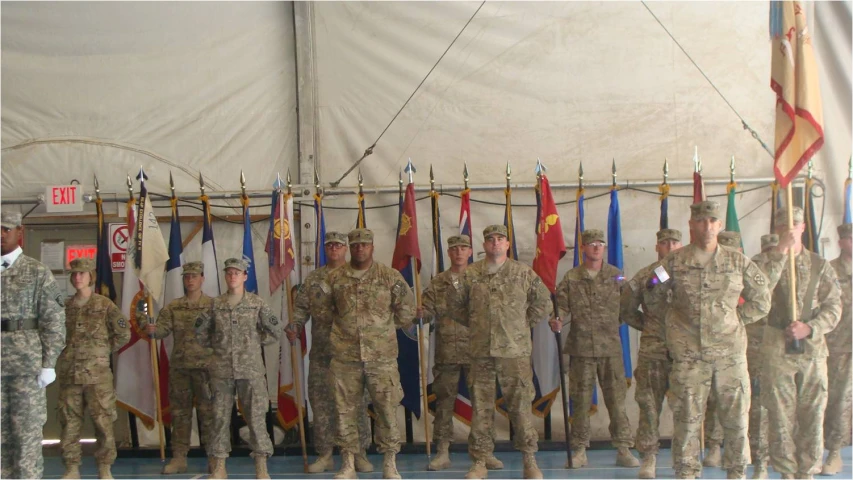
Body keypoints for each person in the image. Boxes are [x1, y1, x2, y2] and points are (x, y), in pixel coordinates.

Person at [650, 200, 772, 479]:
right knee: (686, 420)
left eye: (712, 221)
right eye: (701, 221)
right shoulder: (673, 262)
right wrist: (673, 327)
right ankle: (686, 472)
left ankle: (737, 472)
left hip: (729, 355)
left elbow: (763, 299)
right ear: (691, 225)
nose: (707, 227)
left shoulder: (737, 261)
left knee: (736, 419)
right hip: (689, 356)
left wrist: (737, 319)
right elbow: (653, 292)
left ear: (719, 225)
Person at [457, 224, 551, 480]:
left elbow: (543, 303)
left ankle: (529, 459)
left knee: (520, 407)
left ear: (508, 244)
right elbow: (457, 307)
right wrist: (479, 325)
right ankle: (479, 461)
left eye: (500, 239)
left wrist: (519, 326)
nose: (495, 243)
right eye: (490, 240)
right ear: (484, 245)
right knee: (481, 408)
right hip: (481, 352)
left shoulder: (523, 273)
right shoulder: (470, 274)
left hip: (514, 353)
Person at [755, 207, 842, 479]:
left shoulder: (819, 264)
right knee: (779, 415)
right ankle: (786, 472)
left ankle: (807, 471)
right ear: (776, 229)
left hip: (812, 351)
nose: (789, 229)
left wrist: (811, 328)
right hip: (776, 348)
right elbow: (757, 293)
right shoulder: (761, 262)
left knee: (813, 414)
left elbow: (834, 306)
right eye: (783, 225)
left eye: (794, 224)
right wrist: (780, 252)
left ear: (803, 227)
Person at [325, 228, 416, 479]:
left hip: (381, 358)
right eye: (355, 245)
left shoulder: (389, 277)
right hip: (345, 358)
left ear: (372, 246)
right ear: (350, 247)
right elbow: (324, 312)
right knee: (345, 411)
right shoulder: (336, 278)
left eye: (364, 245)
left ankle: (389, 461)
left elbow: (406, 311)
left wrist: (381, 329)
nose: (359, 249)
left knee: (386, 409)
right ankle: (348, 463)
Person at [550, 228, 639, 469]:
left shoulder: (616, 275)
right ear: (584, 248)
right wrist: (556, 318)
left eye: (601, 243)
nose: (597, 247)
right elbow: (561, 306)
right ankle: (579, 449)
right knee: (579, 402)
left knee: (616, 402)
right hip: (581, 350)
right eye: (592, 244)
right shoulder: (571, 277)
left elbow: (630, 300)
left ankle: (623, 448)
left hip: (610, 349)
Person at [285, 231, 374, 474]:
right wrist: (295, 326)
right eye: (329, 245)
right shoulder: (314, 279)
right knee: (321, 403)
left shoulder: (357, 276)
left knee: (356, 403)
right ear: (325, 249)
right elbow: (301, 309)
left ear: (345, 249)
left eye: (338, 245)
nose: (334, 249)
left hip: (353, 353)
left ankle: (359, 453)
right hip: (323, 353)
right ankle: (325, 454)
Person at [416, 234, 502, 472]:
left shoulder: (480, 278)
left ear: (471, 251)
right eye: (454, 249)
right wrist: (421, 313)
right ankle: (442, 451)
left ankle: (486, 452)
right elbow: (427, 311)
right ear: (449, 252)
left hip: (478, 351)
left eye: (463, 248)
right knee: (444, 404)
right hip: (447, 353)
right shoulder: (438, 283)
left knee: (482, 404)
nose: (459, 252)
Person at [195, 258, 281, 479]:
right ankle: (219, 466)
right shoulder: (215, 305)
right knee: (219, 417)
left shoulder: (257, 304)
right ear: (225, 276)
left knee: (256, 417)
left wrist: (252, 343)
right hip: (221, 371)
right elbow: (201, 334)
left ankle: (261, 466)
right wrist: (219, 347)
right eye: (229, 272)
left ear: (245, 277)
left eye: (237, 273)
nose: (232, 276)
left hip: (250, 370)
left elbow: (274, 331)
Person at [0, 211, 66, 479]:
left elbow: (54, 321)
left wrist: (48, 363)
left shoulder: (37, 271)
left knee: (26, 434)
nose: (0, 234)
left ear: (19, 233)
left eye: (5, 229)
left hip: (26, 367)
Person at [57, 258, 130, 479]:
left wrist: (102, 351)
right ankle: (72, 468)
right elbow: (55, 336)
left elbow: (123, 334)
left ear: (91, 277)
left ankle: (105, 467)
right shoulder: (65, 307)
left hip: (97, 376)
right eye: (74, 274)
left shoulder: (104, 305)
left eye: (82, 273)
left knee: (103, 423)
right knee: (69, 422)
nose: (77, 277)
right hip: (70, 374)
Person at [621, 228, 683, 479]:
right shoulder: (646, 276)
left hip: (685, 352)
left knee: (687, 407)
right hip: (653, 350)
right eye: (664, 243)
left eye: (674, 243)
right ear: (657, 247)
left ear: (681, 245)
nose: (669, 247)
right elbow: (626, 309)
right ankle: (649, 457)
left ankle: (685, 459)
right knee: (648, 405)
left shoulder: (694, 273)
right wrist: (648, 326)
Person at [145, 261, 214, 474]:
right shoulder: (174, 307)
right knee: (180, 414)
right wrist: (151, 329)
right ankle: (179, 458)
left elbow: (222, 335)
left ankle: (214, 457)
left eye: (194, 276)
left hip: (206, 369)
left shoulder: (213, 305)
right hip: (181, 369)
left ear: (202, 278)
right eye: (187, 277)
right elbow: (162, 331)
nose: (190, 280)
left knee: (209, 415)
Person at [743, 233, 779, 479]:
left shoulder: (799, 267)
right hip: (757, 342)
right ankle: (760, 458)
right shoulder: (753, 266)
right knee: (759, 402)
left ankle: (784, 454)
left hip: (787, 342)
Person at [822, 223, 852, 476]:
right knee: (838, 401)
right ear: (841, 242)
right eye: (850, 239)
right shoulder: (829, 270)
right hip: (840, 346)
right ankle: (834, 453)